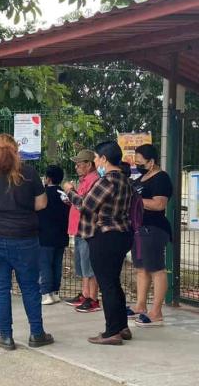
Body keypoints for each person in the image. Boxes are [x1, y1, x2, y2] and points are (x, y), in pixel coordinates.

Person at [0, 134, 53, 351]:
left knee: (0, 287)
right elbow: (41, 204)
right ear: (16, 151)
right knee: (30, 287)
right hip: (25, 238)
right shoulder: (30, 173)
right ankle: (37, 334)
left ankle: (5, 336)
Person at [65, 141, 135, 346]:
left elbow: (85, 206)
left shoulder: (107, 181)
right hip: (121, 234)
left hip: (104, 236)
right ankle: (122, 326)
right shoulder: (124, 179)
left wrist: (70, 191)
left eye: (96, 157)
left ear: (104, 158)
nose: (95, 161)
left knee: (107, 284)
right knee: (113, 282)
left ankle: (112, 331)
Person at [131, 144, 172, 327]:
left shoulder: (161, 178)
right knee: (141, 268)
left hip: (153, 229)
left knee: (156, 269)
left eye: (140, 161)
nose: (137, 164)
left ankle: (156, 312)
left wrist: (136, 201)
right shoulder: (140, 178)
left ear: (152, 161)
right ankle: (140, 306)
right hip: (138, 229)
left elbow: (159, 204)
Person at [64, 150, 102, 314]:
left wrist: (69, 191)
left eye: (79, 164)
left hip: (88, 228)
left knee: (89, 265)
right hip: (79, 227)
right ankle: (85, 294)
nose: (77, 166)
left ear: (89, 164)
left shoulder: (94, 180)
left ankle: (93, 298)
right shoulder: (84, 180)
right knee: (82, 264)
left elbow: (83, 203)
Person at [38, 165, 69, 305]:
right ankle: (55, 292)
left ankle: (46, 293)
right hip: (61, 235)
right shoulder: (64, 194)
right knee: (57, 264)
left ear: (48, 178)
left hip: (45, 235)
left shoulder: (43, 194)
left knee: (45, 264)